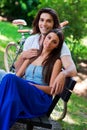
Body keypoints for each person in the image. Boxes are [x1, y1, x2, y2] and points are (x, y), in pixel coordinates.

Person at [0, 29, 64, 130]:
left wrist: (33, 86)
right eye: (49, 37)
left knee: (8, 77)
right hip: (25, 92)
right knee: (10, 100)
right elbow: (18, 75)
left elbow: (52, 90)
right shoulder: (34, 54)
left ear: (57, 46)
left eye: (54, 42)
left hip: (39, 97)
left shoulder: (56, 62)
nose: (50, 42)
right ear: (44, 38)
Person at [15, 8, 77, 95]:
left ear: (53, 24)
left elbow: (72, 69)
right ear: (38, 21)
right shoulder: (31, 40)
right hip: (23, 87)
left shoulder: (61, 47)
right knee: (5, 77)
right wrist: (22, 56)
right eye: (42, 20)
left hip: (36, 93)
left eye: (48, 21)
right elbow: (17, 71)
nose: (44, 24)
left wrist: (63, 74)